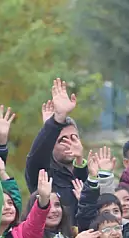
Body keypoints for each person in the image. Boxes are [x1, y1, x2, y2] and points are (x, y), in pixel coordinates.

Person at [24, 79, 88, 212]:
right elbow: (37, 155)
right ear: (52, 145)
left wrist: (80, 161)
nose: (69, 143)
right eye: (62, 140)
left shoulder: (90, 172)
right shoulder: (43, 174)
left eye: (74, 138)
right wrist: (56, 121)